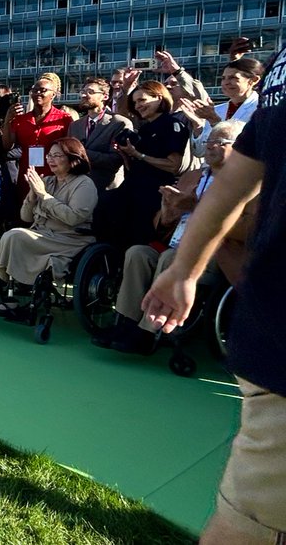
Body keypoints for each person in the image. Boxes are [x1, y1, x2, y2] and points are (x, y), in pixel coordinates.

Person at [142, 95, 284, 544]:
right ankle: (135, 330)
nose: (212, 149)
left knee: (247, 523)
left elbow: (237, 208)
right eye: (213, 144)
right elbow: (171, 217)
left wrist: (187, 264)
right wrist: (172, 209)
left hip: (242, 281)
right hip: (271, 323)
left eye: (222, 143)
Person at [97, 120, 243, 354]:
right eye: (208, 141)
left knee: (169, 259)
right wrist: (168, 212)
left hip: (212, 253)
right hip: (175, 242)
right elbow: (161, 226)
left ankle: (147, 332)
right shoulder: (192, 177)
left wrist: (195, 205)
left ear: (239, 147)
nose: (210, 146)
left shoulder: (244, 183)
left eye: (219, 142)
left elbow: (243, 225)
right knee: (137, 253)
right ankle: (125, 322)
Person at [0, 137, 97, 289]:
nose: (51, 160)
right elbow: (25, 217)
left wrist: (44, 195)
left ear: (73, 158)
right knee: (13, 235)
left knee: (14, 236)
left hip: (69, 239)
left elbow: (73, 218)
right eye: (49, 156)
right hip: (43, 234)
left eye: (57, 156)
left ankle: (12, 286)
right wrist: (33, 195)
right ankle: (10, 288)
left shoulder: (84, 184)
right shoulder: (46, 181)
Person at [95, 81, 189, 249]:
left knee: (137, 233)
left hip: (153, 191)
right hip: (133, 186)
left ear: (159, 99)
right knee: (106, 206)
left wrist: (139, 155)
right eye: (135, 102)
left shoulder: (172, 125)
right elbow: (137, 166)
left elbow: (173, 165)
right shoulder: (145, 129)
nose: (138, 106)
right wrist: (126, 154)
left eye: (142, 100)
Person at [2, 72, 73, 197]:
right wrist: (8, 120)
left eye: (43, 90)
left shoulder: (64, 119)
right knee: (25, 212)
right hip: (27, 175)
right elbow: (8, 145)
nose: (37, 93)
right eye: (34, 90)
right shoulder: (20, 119)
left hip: (53, 176)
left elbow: (70, 150)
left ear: (53, 94)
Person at [68, 78, 131, 192]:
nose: (84, 95)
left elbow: (115, 160)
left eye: (90, 92)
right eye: (83, 92)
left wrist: (82, 153)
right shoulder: (75, 126)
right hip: (78, 190)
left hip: (107, 189)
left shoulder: (119, 123)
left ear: (105, 96)